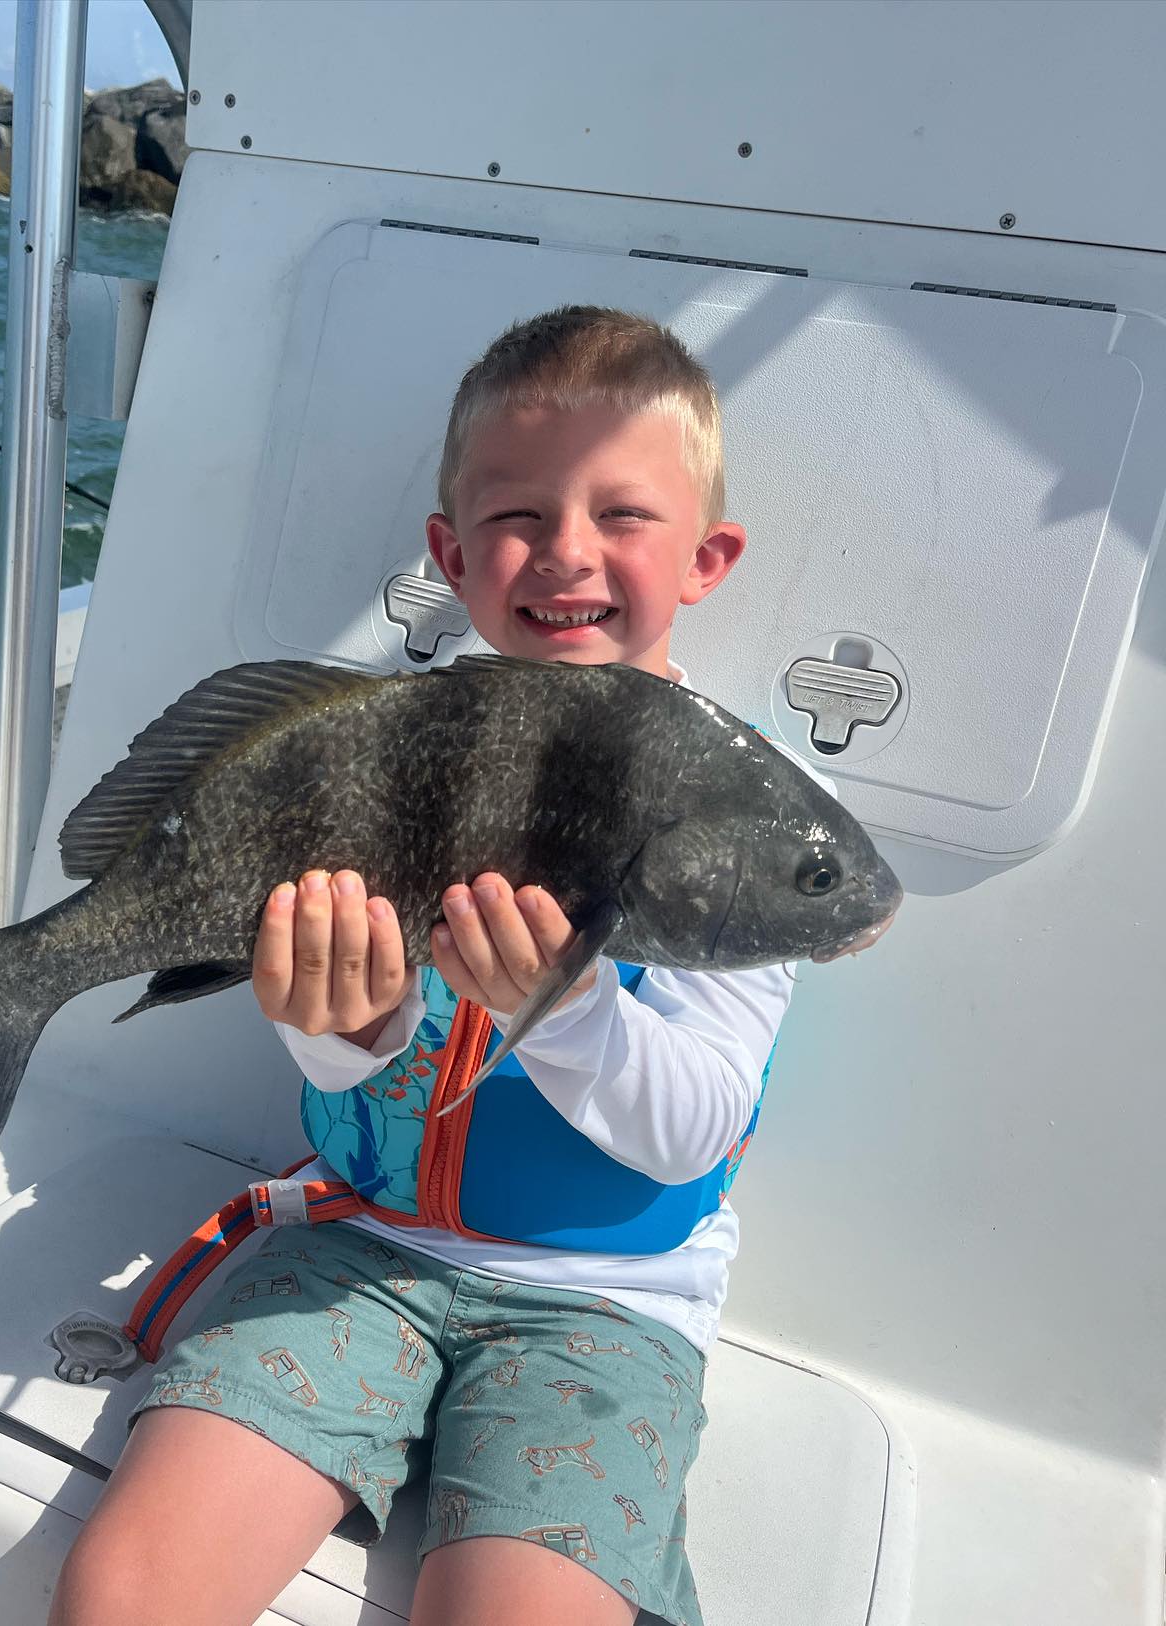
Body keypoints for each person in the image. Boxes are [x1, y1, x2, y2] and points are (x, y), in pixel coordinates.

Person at [50, 305, 820, 1626]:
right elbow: (350, 1069)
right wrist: (340, 1026)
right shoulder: (388, 741)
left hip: (606, 1309)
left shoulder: (741, 815)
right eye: (520, 514)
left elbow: (697, 1126)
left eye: (622, 514)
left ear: (707, 557)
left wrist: (561, 1009)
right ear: (453, 558)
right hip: (355, 1237)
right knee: (123, 1596)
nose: (567, 549)